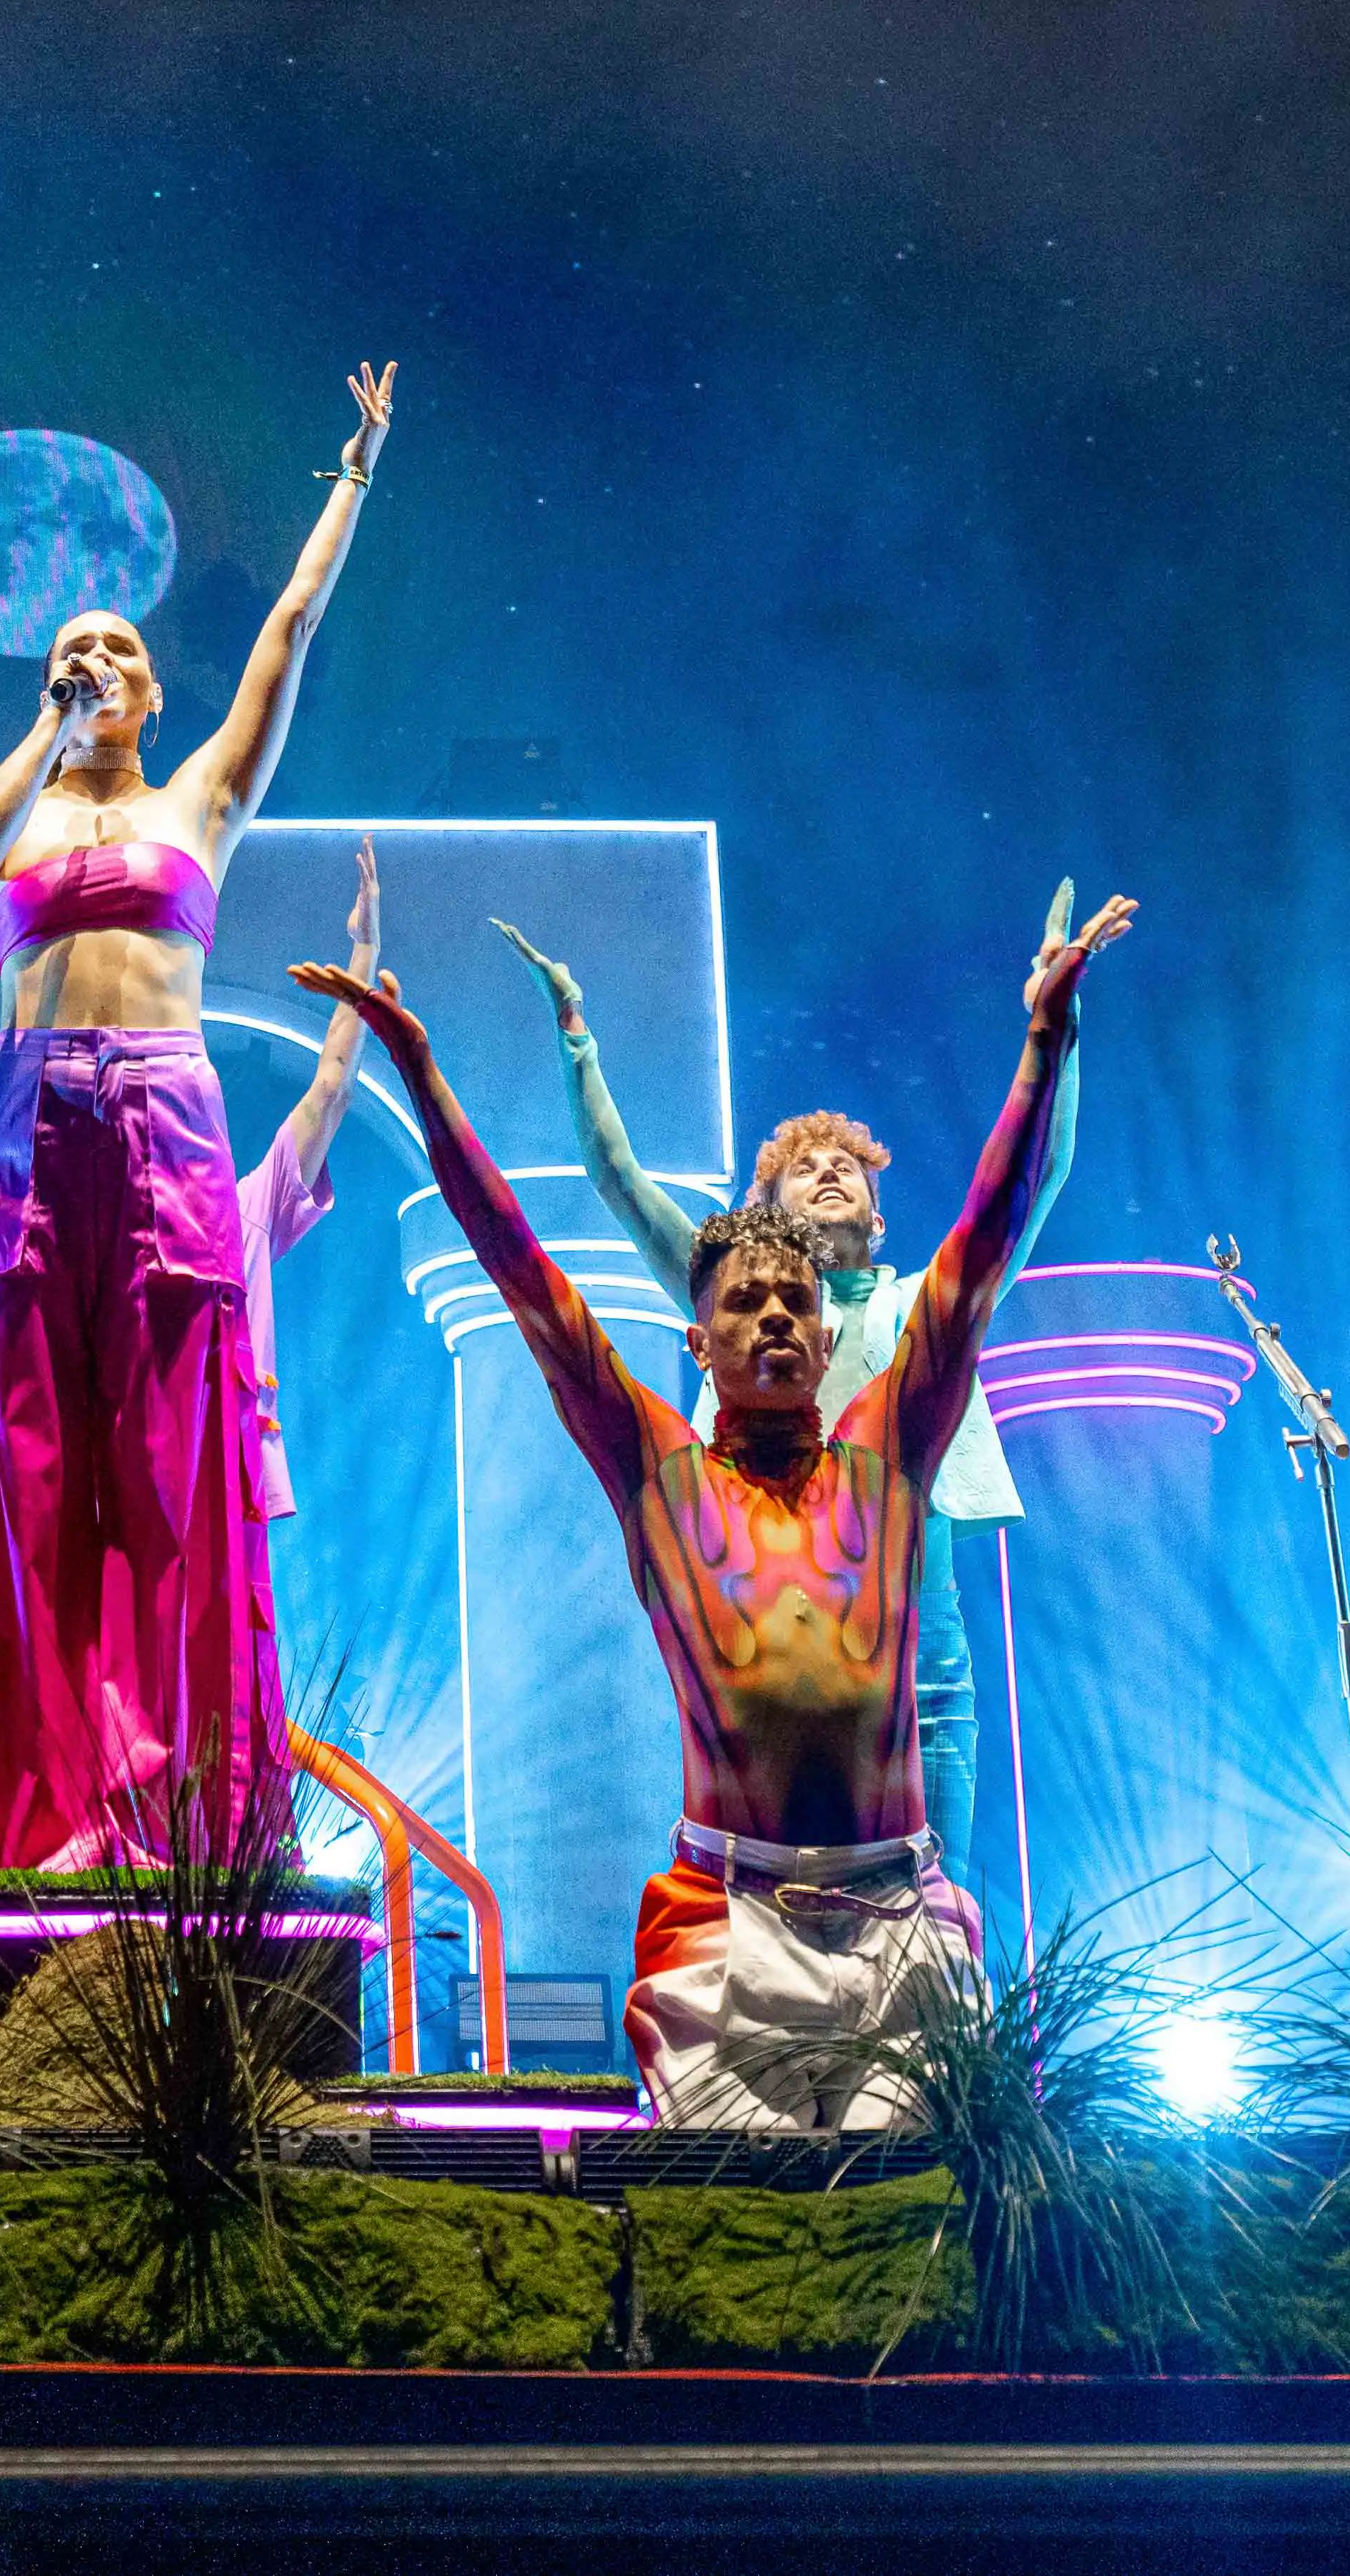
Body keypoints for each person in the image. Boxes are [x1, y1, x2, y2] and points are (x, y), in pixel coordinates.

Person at [290, 887, 1134, 2132]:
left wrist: (1045, 1044)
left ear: (833, 1312)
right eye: (749, 1301)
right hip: (724, 1923)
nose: (781, 1315)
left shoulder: (890, 1455)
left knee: (898, 2221)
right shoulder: (661, 1473)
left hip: (897, 1919)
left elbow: (984, 1238)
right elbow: (520, 1263)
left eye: (796, 1295)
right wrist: (419, 1069)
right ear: (701, 1336)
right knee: (736, 2233)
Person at [0, 362, 395, 1872]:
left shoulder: (202, 803)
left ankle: (176, 1804)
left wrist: (354, 480)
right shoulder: (15, 799)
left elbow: (290, 634)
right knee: (34, 1453)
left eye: (121, 646)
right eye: (75, 648)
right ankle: (27, 1803)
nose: (102, 659)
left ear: (160, 687)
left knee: (173, 1449)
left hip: (168, 1122)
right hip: (27, 1123)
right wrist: (43, 736)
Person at [486, 887, 1086, 1888]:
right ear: (763, 1210)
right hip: (768, 1636)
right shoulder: (738, 1296)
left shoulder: (917, 1310)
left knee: (942, 1911)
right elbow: (620, 1177)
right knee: (776, 1893)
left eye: (848, 1164)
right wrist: (578, 1038)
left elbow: (1035, 1181)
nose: (829, 1171)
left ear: (880, 1217)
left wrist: (1057, 1027)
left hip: (921, 1673)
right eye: (803, 1166)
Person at [0, 829, 381, 1519]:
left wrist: (365, 955)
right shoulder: (54, 1215)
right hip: (88, 1456)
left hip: (193, 1458)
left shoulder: (238, 1212)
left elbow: (330, 1089)